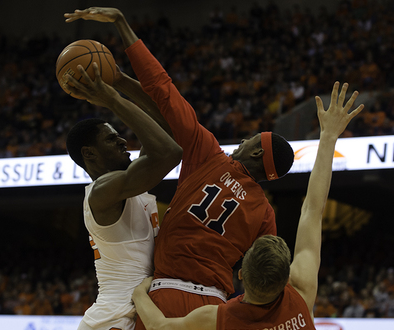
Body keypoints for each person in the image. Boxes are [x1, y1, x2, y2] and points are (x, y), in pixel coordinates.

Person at [64, 7, 295, 325]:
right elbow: (266, 271)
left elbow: (164, 92)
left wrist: (122, 56)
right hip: (210, 306)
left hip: (160, 295)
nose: (242, 142)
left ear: (256, 154)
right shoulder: (265, 213)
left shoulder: (210, 155)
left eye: (251, 140)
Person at [131, 81, 364, 330]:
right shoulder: (298, 296)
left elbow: (160, 327)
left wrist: (139, 294)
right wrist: (329, 137)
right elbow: (313, 212)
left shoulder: (228, 316)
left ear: (240, 277)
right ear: (283, 278)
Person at [63, 61, 182, 330]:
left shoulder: (127, 186)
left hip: (139, 309)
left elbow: (169, 126)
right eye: (111, 138)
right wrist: (113, 101)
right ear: (89, 153)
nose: (123, 141)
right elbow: (170, 152)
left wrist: (120, 81)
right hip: (113, 317)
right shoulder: (102, 192)